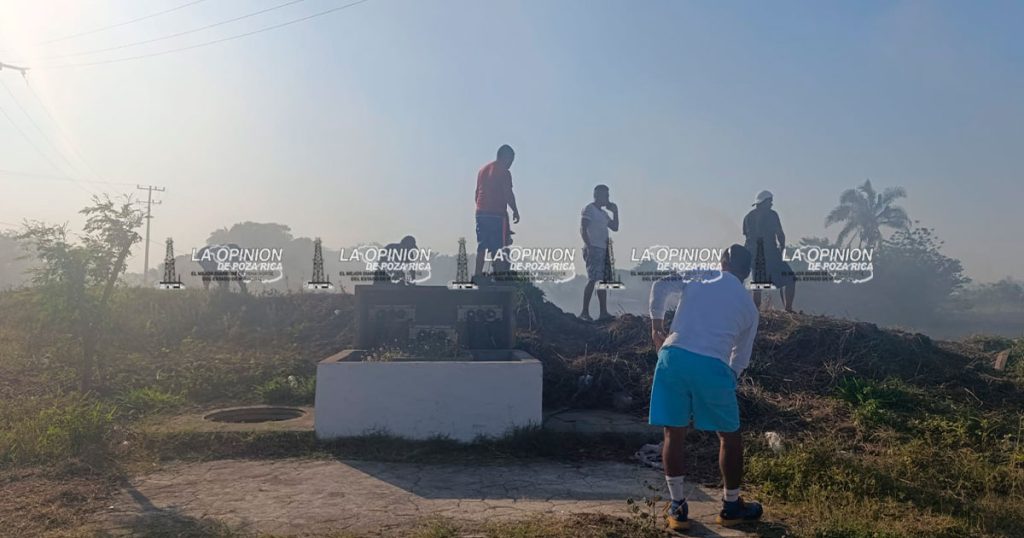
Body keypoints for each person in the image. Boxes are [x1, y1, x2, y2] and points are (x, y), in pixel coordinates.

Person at [648, 244, 763, 531]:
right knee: (729, 437)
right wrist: (727, 379)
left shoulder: (701, 275)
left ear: (722, 261)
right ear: (746, 273)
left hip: (672, 357)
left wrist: (656, 327)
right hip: (714, 366)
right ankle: (731, 506)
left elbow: (661, 286)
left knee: (673, 432)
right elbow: (741, 358)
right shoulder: (749, 307)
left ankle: (677, 509)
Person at [743, 190, 796, 311]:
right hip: (770, 253)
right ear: (764, 202)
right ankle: (788, 309)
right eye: (770, 201)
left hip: (753, 254)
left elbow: (747, 237)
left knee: (758, 284)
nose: (771, 204)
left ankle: (755, 312)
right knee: (790, 279)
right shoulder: (772, 214)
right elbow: (780, 233)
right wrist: (782, 247)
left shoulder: (747, 217)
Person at [474, 145, 520, 279]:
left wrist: (480, 209)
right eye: (511, 160)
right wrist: (515, 210)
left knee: (482, 245)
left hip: (481, 212)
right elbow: (508, 193)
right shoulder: (504, 171)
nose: (511, 163)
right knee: (498, 247)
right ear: (505, 157)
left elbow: (476, 193)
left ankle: (477, 275)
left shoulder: (482, 170)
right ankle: (500, 277)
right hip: (496, 214)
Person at [580, 184, 619, 321]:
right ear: (598, 196)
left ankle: (603, 312)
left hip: (603, 248)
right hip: (593, 247)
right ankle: (584, 312)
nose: (607, 198)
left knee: (602, 281)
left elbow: (615, 227)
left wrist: (615, 212)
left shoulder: (603, 214)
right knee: (592, 279)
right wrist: (589, 246)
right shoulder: (589, 209)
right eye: (606, 196)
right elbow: (583, 228)